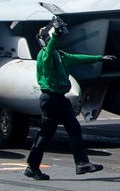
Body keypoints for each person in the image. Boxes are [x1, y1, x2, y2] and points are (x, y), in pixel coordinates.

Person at [25, 17, 115, 180]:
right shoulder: (45, 55)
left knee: (74, 128)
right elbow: (50, 48)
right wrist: (56, 35)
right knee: (46, 134)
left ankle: (82, 163)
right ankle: (32, 167)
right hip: (50, 99)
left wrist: (99, 58)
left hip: (60, 98)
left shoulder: (59, 55)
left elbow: (77, 58)